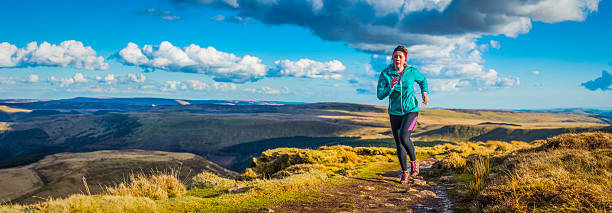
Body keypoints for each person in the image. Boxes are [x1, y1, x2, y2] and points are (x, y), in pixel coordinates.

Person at [376, 45, 429, 184]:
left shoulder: (411, 72)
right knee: (399, 144)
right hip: (394, 113)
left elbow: (423, 80)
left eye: (400, 56)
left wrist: (424, 92)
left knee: (404, 136)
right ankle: (404, 173)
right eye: (395, 56)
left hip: (411, 110)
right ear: (392, 58)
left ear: (405, 58)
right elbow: (380, 95)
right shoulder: (386, 74)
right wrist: (390, 87)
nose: (397, 59)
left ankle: (414, 161)